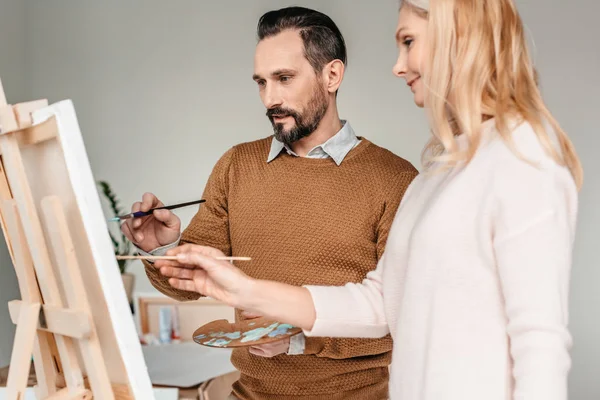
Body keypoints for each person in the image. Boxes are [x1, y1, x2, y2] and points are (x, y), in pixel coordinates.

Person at [156, 0, 584, 399]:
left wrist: (289, 330)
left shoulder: (522, 155)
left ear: (459, 38)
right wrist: (244, 288)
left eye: (408, 42)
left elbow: (539, 344)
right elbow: (380, 303)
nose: (397, 66)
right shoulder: (439, 173)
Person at [123, 6, 419, 400]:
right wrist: (161, 248)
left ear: (332, 75)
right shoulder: (236, 165)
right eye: (261, 82)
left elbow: (398, 319)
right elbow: (187, 288)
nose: (270, 98)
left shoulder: (394, 179)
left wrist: (298, 341)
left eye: (284, 78)